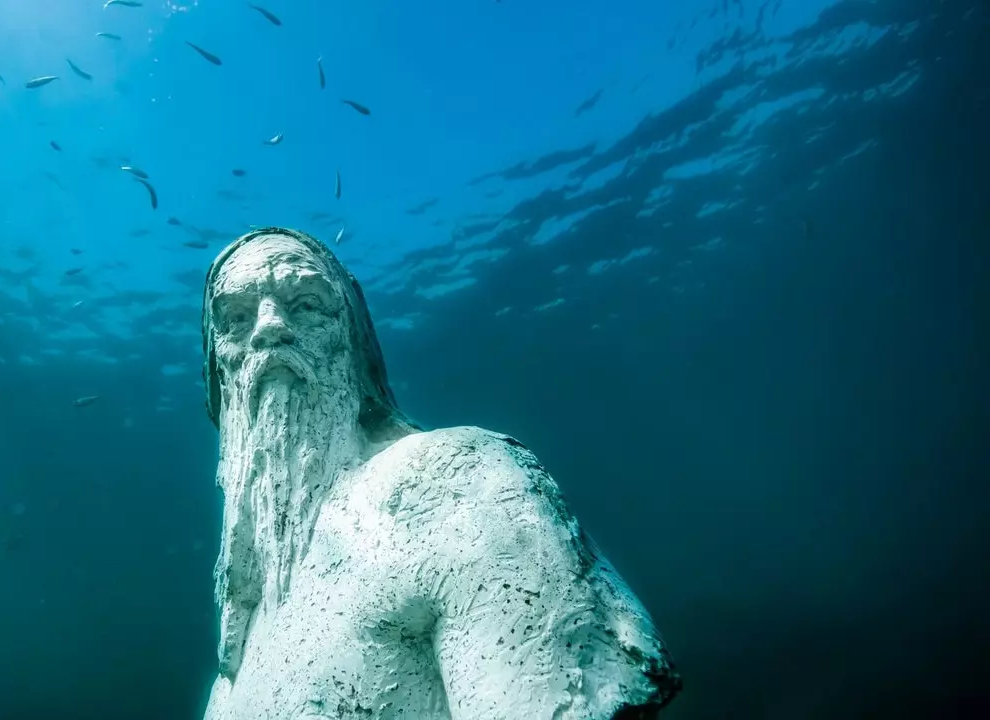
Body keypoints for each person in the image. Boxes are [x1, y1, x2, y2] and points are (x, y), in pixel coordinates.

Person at [200, 227, 680, 719]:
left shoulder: (455, 485)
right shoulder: (233, 662)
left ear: (353, 344)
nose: (268, 327)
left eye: (306, 303)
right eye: (235, 317)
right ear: (220, 372)